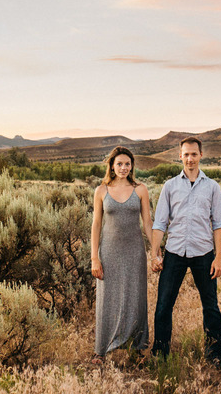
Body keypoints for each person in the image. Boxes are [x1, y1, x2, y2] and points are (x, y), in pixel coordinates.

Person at [150, 136, 221, 369]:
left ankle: (215, 354)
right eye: (186, 154)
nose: (190, 158)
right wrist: (155, 253)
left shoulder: (213, 187)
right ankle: (160, 354)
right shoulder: (170, 186)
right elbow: (159, 223)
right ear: (180, 156)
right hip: (174, 253)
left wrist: (219, 257)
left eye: (194, 154)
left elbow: (219, 224)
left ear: (201, 155)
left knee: (210, 305)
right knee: (164, 304)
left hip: (203, 253)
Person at [90, 145, 154, 364]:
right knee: (107, 298)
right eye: (119, 164)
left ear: (132, 166)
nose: (124, 168)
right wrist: (94, 257)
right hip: (108, 252)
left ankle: (137, 347)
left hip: (135, 252)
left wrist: (155, 251)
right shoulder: (101, 191)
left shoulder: (141, 190)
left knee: (135, 297)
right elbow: (96, 224)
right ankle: (101, 349)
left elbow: (147, 222)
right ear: (112, 165)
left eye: (127, 164)